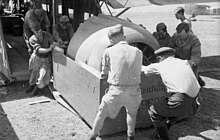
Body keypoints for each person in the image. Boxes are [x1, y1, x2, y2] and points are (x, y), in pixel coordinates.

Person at [89, 24, 143, 140]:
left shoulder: (108, 51)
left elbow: (104, 73)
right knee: (132, 114)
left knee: (101, 113)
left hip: (116, 90)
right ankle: (130, 137)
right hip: (134, 91)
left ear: (112, 39)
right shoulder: (138, 51)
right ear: (123, 36)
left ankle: (92, 136)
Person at [142, 47, 201, 140]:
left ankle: (163, 137)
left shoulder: (161, 65)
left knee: (153, 110)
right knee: (171, 107)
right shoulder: (184, 62)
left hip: (181, 99)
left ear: (160, 58)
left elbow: (144, 70)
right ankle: (167, 126)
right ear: (172, 55)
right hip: (196, 102)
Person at [169, 22, 205, 87]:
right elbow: (170, 48)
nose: (181, 38)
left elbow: (196, 56)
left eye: (183, 36)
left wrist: (191, 63)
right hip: (178, 63)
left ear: (188, 32)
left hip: (190, 64)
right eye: (180, 36)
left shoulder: (194, 40)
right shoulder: (175, 36)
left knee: (192, 85)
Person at [25, 23, 55, 96]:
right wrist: (49, 49)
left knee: (43, 75)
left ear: (41, 30)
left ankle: (38, 87)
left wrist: (53, 44)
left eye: (40, 31)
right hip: (36, 57)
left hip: (46, 58)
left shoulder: (47, 35)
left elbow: (52, 42)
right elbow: (39, 50)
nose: (39, 34)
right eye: (37, 32)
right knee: (33, 73)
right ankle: (31, 85)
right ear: (33, 31)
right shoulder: (32, 39)